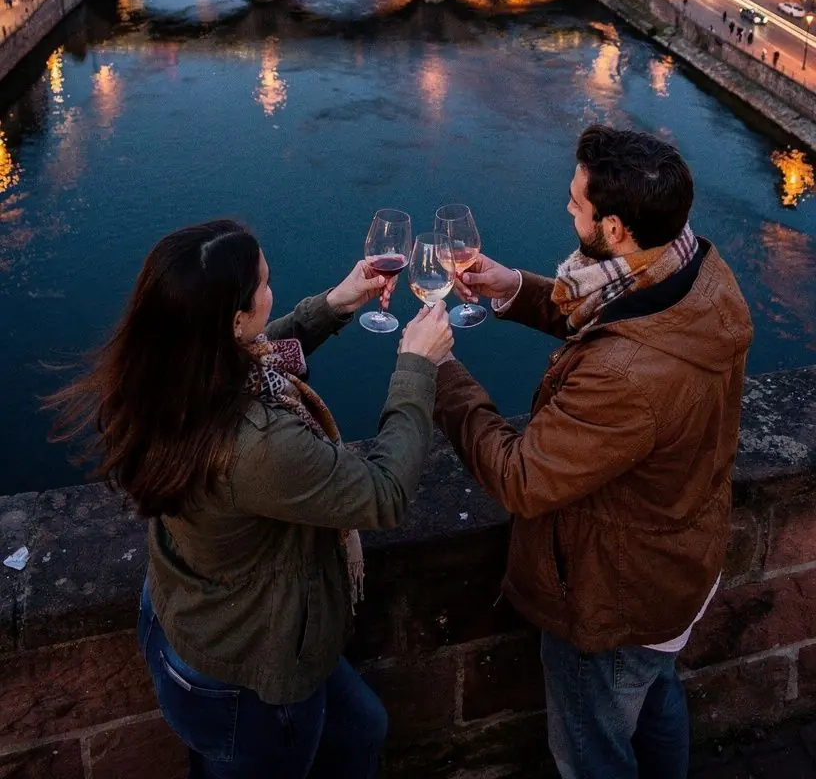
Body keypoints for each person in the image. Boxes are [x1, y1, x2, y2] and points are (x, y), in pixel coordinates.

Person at [50, 219, 453, 778]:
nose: (273, 289)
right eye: (263, 284)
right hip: (248, 670)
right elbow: (383, 495)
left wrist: (335, 305)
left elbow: (261, 356)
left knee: (362, 731)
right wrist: (417, 366)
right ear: (236, 319)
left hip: (188, 617)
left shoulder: (166, 372)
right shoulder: (258, 445)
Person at [433, 126, 753, 779]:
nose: (566, 209)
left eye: (576, 204)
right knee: (654, 696)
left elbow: (522, 480)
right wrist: (510, 287)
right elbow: (623, 313)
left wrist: (437, 371)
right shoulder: (696, 268)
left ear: (612, 230)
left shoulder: (625, 377)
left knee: (590, 752)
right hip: (675, 565)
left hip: (613, 594)